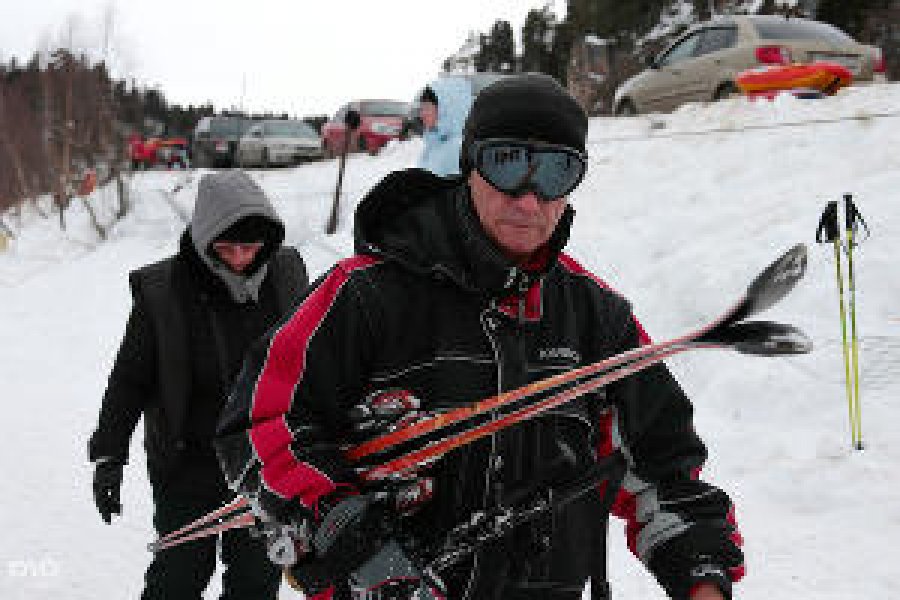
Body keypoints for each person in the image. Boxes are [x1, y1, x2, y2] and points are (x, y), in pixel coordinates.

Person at [215, 74, 744, 600]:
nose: (529, 199)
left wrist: (702, 579)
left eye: (557, 171)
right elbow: (260, 426)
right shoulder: (365, 295)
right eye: (507, 163)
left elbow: (664, 468)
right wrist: (342, 525)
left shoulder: (595, 317)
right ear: (470, 164)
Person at [89, 170, 308, 599]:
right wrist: (109, 455)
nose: (242, 257)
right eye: (228, 247)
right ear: (206, 238)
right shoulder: (165, 292)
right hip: (187, 461)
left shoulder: (285, 276)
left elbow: (314, 358)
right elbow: (130, 379)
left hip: (261, 463)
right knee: (178, 577)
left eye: (252, 246)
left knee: (255, 581)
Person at [416, 76, 474, 177]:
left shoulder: (457, 150)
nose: (421, 114)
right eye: (421, 108)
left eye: (426, 108)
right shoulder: (435, 144)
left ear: (446, 109)